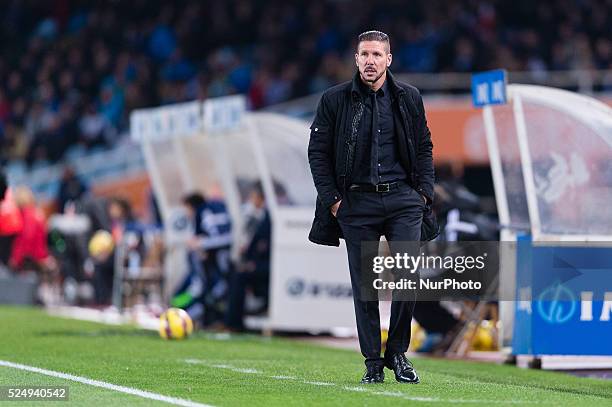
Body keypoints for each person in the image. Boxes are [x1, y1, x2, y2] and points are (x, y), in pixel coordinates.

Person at [307, 30, 434, 384]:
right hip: (356, 202)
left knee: (408, 276)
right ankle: (372, 363)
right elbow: (317, 153)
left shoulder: (410, 97)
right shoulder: (334, 100)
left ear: (388, 59)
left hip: (403, 200)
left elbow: (424, 145)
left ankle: (398, 352)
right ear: (356, 59)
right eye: (364, 54)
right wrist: (333, 200)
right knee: (366, 287)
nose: (370, 61)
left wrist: (424, 193)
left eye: (377, 54)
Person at [224, 182, 271, 331]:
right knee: (233, 272)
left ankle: (233, 323)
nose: (251, 200)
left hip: (265, 265)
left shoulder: (270, 220)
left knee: (239, 276)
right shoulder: (249, 216)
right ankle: (228, 319)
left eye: (254, 197)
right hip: (253, 263)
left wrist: (253, 264)